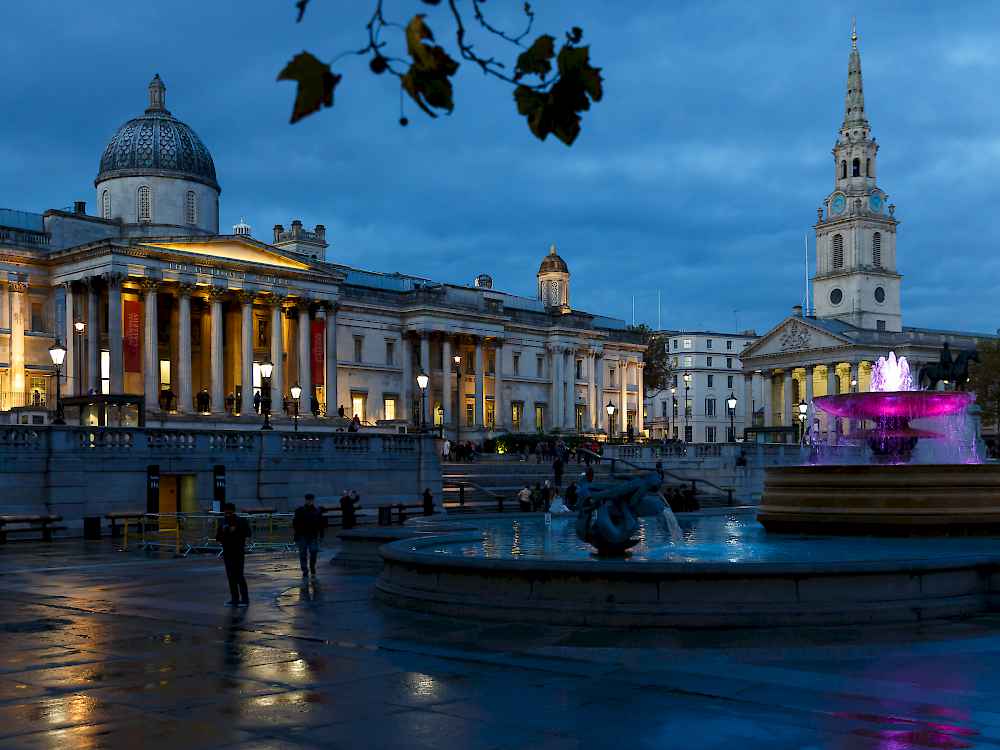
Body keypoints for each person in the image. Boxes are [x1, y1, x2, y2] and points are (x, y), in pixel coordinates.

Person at [215, 503, 251, 606]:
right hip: (228, 552)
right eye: (226, 512)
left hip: (237, 551)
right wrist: (224, 532)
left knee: (238, 575)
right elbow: (218, 537)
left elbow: (247, 533)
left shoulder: (241, 521)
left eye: (229, 512)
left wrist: (236, 531)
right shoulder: (223, 522)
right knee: (231, 576)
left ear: (233, 511)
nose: (227, 514)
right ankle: (235, 599)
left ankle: (244, 599)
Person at [292, 493, 325, 576]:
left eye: (311, 500)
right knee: (303, 553)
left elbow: (321, 524)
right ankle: (305, 570)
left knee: (313, 551)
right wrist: (296, 535)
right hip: (302, 535)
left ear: (313, 500)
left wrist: (321, 534)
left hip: (312, 535)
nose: (310, 501)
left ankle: (312, 566)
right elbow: (295, 523)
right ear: (306, 500)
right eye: (308, 500)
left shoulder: (317, 510)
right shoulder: (300, 510)